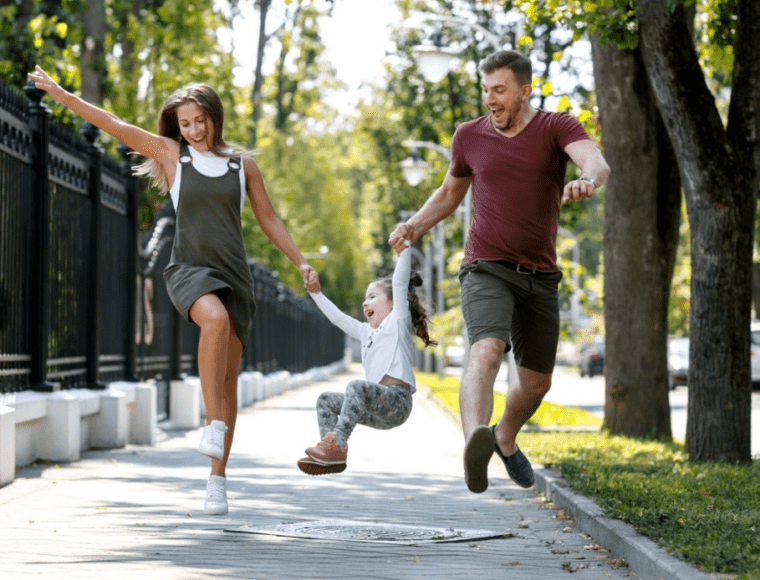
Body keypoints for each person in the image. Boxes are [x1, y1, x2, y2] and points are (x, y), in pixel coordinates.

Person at [28, 65, 319, 514]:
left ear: (214, 117)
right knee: (214, 320)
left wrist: (300, 260)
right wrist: (62, 93)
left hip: (235, 275)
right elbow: (113, 124)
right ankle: (213, 425)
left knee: (228, 380)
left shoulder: (244, 166)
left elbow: (268, 219)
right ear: (176, 126)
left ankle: (217, 480)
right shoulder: (171, 155)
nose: (193, 129)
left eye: (199, 120)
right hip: (190, 269)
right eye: (185, 123)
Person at [388, 50, 610, 494]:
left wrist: (585, 178)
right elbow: (450, 193)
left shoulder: (555, 126)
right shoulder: (469, 135)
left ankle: (504, 438)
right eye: (485, 90)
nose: (490, 99)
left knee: (536, 383)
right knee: (485, 351)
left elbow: (596, 162)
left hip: (540, 275)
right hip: (485, 266)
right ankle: (475, 439)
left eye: (500, 90)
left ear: (525, 90)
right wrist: (414, 224)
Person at [297, 243, 437, 476]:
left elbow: (399, 283)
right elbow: (336, 318)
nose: (365, 303)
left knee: (356, 386)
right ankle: (331, 453)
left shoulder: (397, 321)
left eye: (372, 297)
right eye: (365, 299)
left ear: (392, 303)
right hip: (374, 409)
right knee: (326, 400)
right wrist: (315, 292)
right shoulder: (365, 332)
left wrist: (405, 248)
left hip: (397, 402)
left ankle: (338, 444)